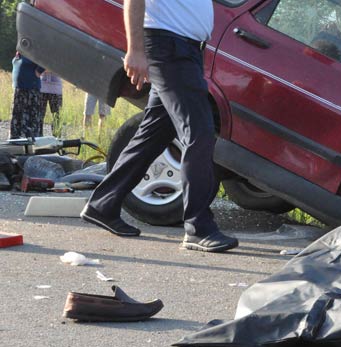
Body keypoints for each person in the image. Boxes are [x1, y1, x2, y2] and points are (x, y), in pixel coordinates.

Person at [80, 0, 238, 252]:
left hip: (186, 49)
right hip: (169, 46)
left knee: (153, 134)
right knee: (199, 132)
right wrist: (135, 50)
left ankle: (103, 204)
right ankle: (198, 227)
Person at [9, 52, 45, 139]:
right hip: (19, 89)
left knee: (30, 118)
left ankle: (30, 141)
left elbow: (47, 58)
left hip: (30, 90)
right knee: (17, 116)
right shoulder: (21, 51)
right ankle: (16, 139)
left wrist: (39, 70)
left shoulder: (34, 49)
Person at [39, 70, 63, 137]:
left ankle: (57, 142)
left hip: (56, 89)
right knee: (39, 116)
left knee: (56, 117)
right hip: (41, 87)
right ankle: (37, 140)